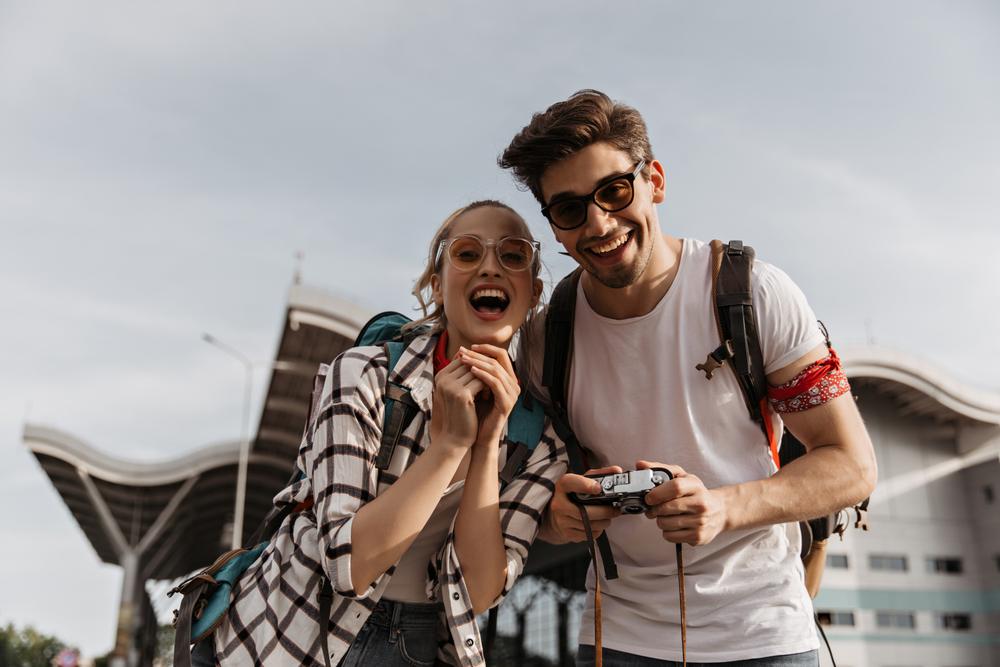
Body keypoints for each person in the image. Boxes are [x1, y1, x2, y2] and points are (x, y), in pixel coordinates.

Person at [499, 90, 878, 666]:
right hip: (616, 639)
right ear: (553, 226)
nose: (599, 224)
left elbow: (852, 465)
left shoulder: (750, 293)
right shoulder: (545, 340)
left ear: (654, 180)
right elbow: (524, 505)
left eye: (614, 192)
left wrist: (724, 507)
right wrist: (556, 516)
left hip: (764, 632)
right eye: (571, 209)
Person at [204, 200, 568, 666]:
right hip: (284, 629)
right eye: (467, 253)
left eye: (513, 256)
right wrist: (449, 446)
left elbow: (477, 592)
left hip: (411, 643)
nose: (491, 267)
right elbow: (347, 564)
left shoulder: (539, 441)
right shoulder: (364, 376)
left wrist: (485, 444)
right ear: (438, 286)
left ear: (533, 291)